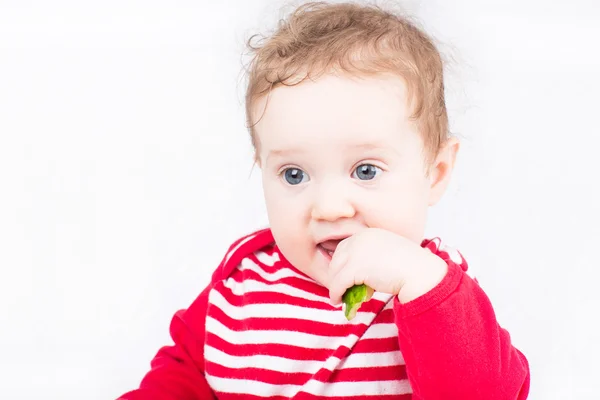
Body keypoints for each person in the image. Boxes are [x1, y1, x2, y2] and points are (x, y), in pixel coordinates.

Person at [118, 1, 530, 399]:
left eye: (365, 171)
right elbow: (179, 380)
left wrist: (421, 283)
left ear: (435, 173)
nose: (330, 207)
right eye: (294, 175)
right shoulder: (237, 290)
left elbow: (487, 393)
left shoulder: (433, 292)